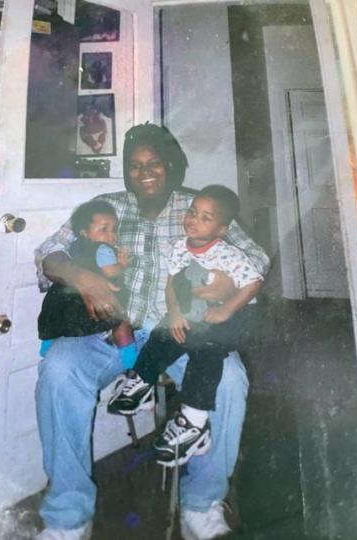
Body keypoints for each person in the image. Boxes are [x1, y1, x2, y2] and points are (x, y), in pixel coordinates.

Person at [33, 123, 270, 540]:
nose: (144, 172)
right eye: (135, 165)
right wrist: (80, 277)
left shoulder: (198, 207)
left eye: (154, 163)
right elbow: (48, 252)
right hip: (107, 333)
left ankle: (202, 503)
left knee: (230, 378)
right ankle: (68, 517)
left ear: (171, 166)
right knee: (58, 370)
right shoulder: (105, 206)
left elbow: (256, 258)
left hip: (178, 334)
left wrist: (228, 284)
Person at [107, 185, 263, 469]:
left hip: (234, 317)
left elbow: (254, 283)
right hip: (195, 312)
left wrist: (226, 309)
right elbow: (171, 285)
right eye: (193, 212)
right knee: (165, 333)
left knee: (206, 352)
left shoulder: (227, 254)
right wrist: (175, 313)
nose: (194, 219)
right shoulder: (181, 247)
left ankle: (194, 421)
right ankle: (142, 382)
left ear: (221, 230)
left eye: (206, 217)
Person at [37, 200, 137, 368]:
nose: (112, 235)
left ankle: (46, 348)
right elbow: (110, 271)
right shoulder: (103, 248)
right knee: (121, 322)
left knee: (56, 323)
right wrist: (122, 265)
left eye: (114, 230)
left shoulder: (73, 247)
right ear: (83, 232)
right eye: (104, 229)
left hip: (62, 298)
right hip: (94, 298)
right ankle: (130, 359)